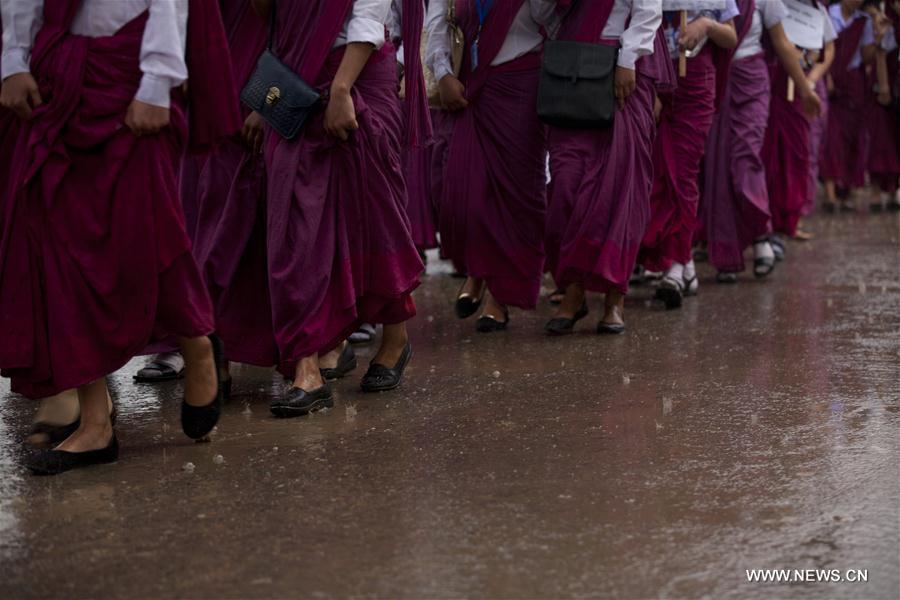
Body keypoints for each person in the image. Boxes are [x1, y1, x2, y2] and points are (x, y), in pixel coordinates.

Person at [0, 0, 240, 474]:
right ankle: (95, 424)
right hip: (57, 71)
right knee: (59, 251)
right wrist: (12, 59)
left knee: (147, 238)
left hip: (131, 69)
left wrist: (157, 80)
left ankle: (195, 339)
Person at [251, 0, 427, 417]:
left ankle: (395, 338)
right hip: (294, 80)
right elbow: (274, 19)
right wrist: (265, 99)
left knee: (373, 219)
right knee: (294, 229)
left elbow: (369, 17)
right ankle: (306, 367)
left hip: (358, 79)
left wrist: (342, 91)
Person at [427, 0, 554, 333]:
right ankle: (477, 270)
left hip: (520, 86)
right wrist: (442, 74)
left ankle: (499, 296)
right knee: (460, 194)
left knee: (516, 197)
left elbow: (548, 17)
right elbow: (437, 26)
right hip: (468, 88)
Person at [544, 0, 666, 335]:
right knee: (565, 184)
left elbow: (647, 9)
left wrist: (627, 59)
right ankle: (573, 288)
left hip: (621, 69)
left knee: (619, 185)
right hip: (571, 67)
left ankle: (615, 296)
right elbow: (542, 15)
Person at [700, 0, 822, 283]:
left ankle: (760, 233)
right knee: (719, 164)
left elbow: (781, 43)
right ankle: (728, 252)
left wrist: (804, 89)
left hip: (753, 81)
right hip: (718, 79)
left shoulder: (765, 1)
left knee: (745, 159)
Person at [639, 1, 739, 310]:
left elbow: (731, 37)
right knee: (655, 173)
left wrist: (706, 25)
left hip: (696, 82)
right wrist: (653, 88)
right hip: (655, 80)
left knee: (682, 172)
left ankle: (677, 265)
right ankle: (682, 263)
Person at [761, 0, 835, 248]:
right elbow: (778, 42)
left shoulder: (817, 10)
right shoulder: (778, 6)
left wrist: (809, 75)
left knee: (799, 154)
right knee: (770, 155)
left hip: (802, 91)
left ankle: (792, 218)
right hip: (774, 85)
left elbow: (827, 49)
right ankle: (768, 219)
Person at [820, 0, 878, 212]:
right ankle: (830, 194)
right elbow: (821, 46)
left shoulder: (864, 21)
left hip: (854, 84)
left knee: (854, 137)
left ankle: (848, 193)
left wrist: (878, 39)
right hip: (830, 79)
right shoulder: (827, 13)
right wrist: (826, 76)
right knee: (831, 138)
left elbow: (866, 56)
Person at [863, 0, 899, 211]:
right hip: (887, 89)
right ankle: (877, 191)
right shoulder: (887, 23)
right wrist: (884, 87)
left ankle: (894, 191)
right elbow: (881, 55)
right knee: (881, 140)